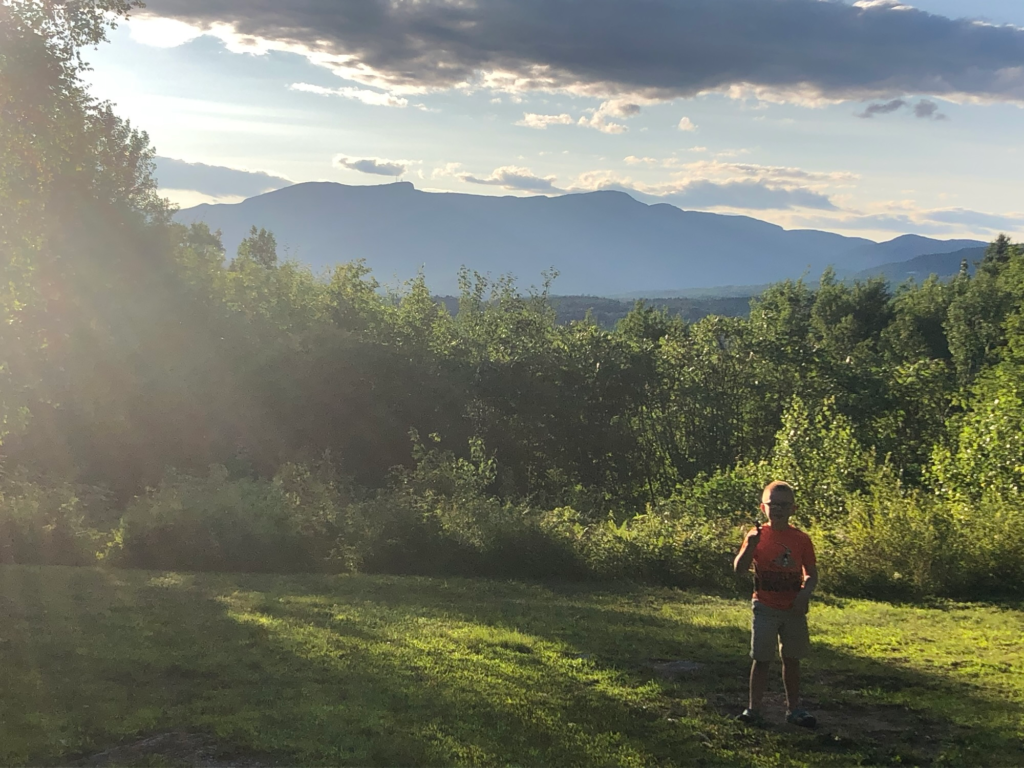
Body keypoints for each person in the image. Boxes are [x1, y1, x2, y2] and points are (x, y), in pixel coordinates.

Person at [733, 480, 818, 728]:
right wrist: (750, 546)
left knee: (791, 659)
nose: (778, 509)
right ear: (763, 507)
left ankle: (794, 709)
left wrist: (805, 593)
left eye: (784, 505)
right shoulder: (756, 536)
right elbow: (738, 570)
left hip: (793, 609)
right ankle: (753, 709)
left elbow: (811, 574)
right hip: (765, 607)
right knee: (761, 659)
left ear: (793, 508)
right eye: (773, 504)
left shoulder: (801, 539)